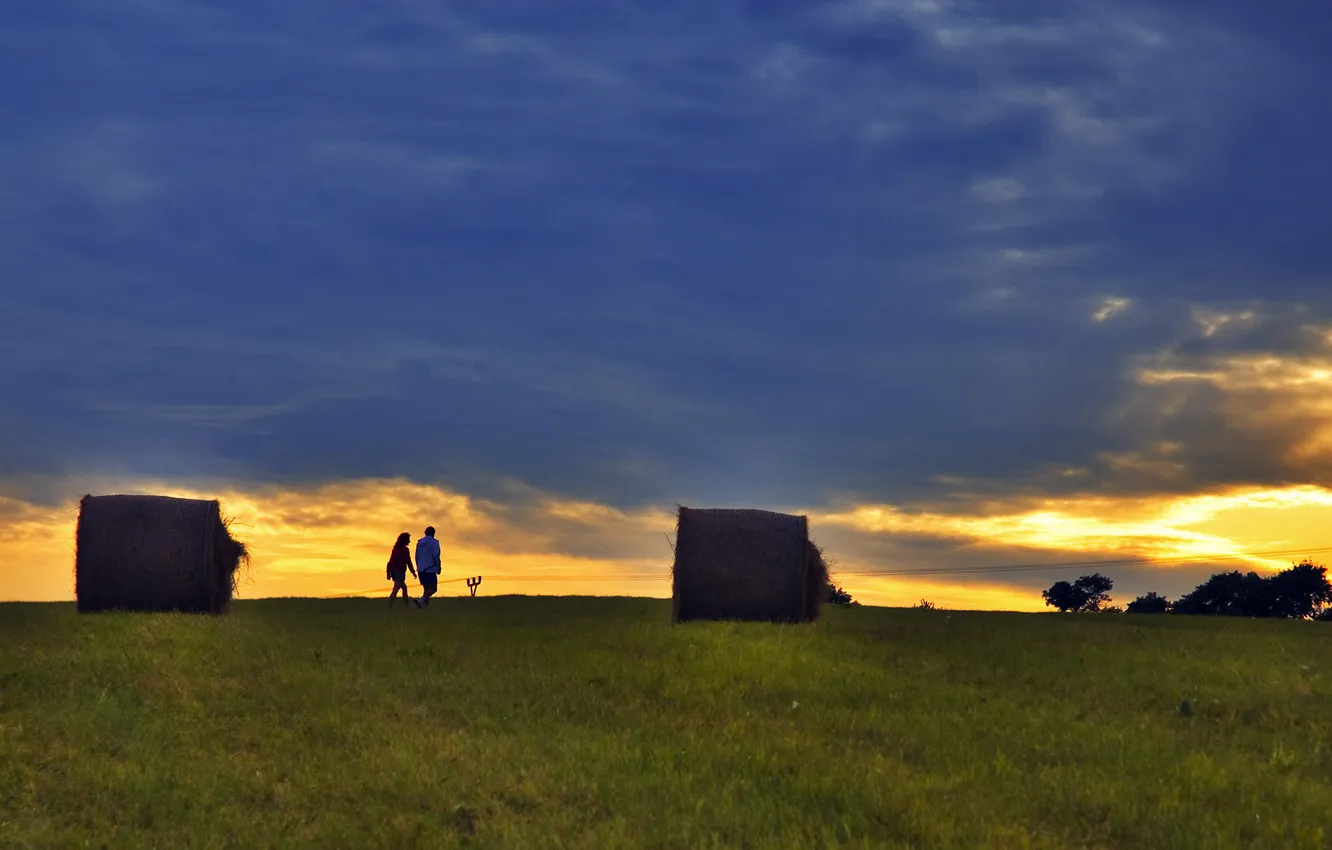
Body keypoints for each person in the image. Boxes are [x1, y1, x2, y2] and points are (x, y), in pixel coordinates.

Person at [386, 532, 417, 609]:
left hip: (394, 571)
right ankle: (389, 607)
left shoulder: (395, 549)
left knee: (404, 588)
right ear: (405, 540)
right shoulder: (405, 550)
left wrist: (388, 572)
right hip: (400, 572)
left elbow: (390, 561)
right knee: (395, 590)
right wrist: (413, 572)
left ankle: (408, 606)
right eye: (408, 540)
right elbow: (408, 561)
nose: (409, 541)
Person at [414, 526, 441, 608]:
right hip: (430, 568)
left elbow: (416, 556)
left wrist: (418, 566)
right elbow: (436, 556)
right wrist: (438, 567)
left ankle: (425, 605)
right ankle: (421, 600)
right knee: (433, 588)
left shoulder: (419, 542)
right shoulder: (434, 542)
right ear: (434, 533)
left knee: (426, 588)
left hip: (421, 569)